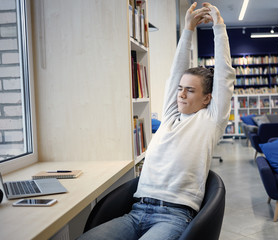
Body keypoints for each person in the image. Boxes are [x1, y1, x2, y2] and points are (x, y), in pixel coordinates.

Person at [78, 2, 235, 240]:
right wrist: (188, 29)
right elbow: (175, 73)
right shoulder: (171, 114)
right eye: (180, 89)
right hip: (137, 210)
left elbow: (224, 76)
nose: (181, 94)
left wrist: (219, 28)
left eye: (190, 91)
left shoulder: (211, 120)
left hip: (175, 215)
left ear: (207, 99)